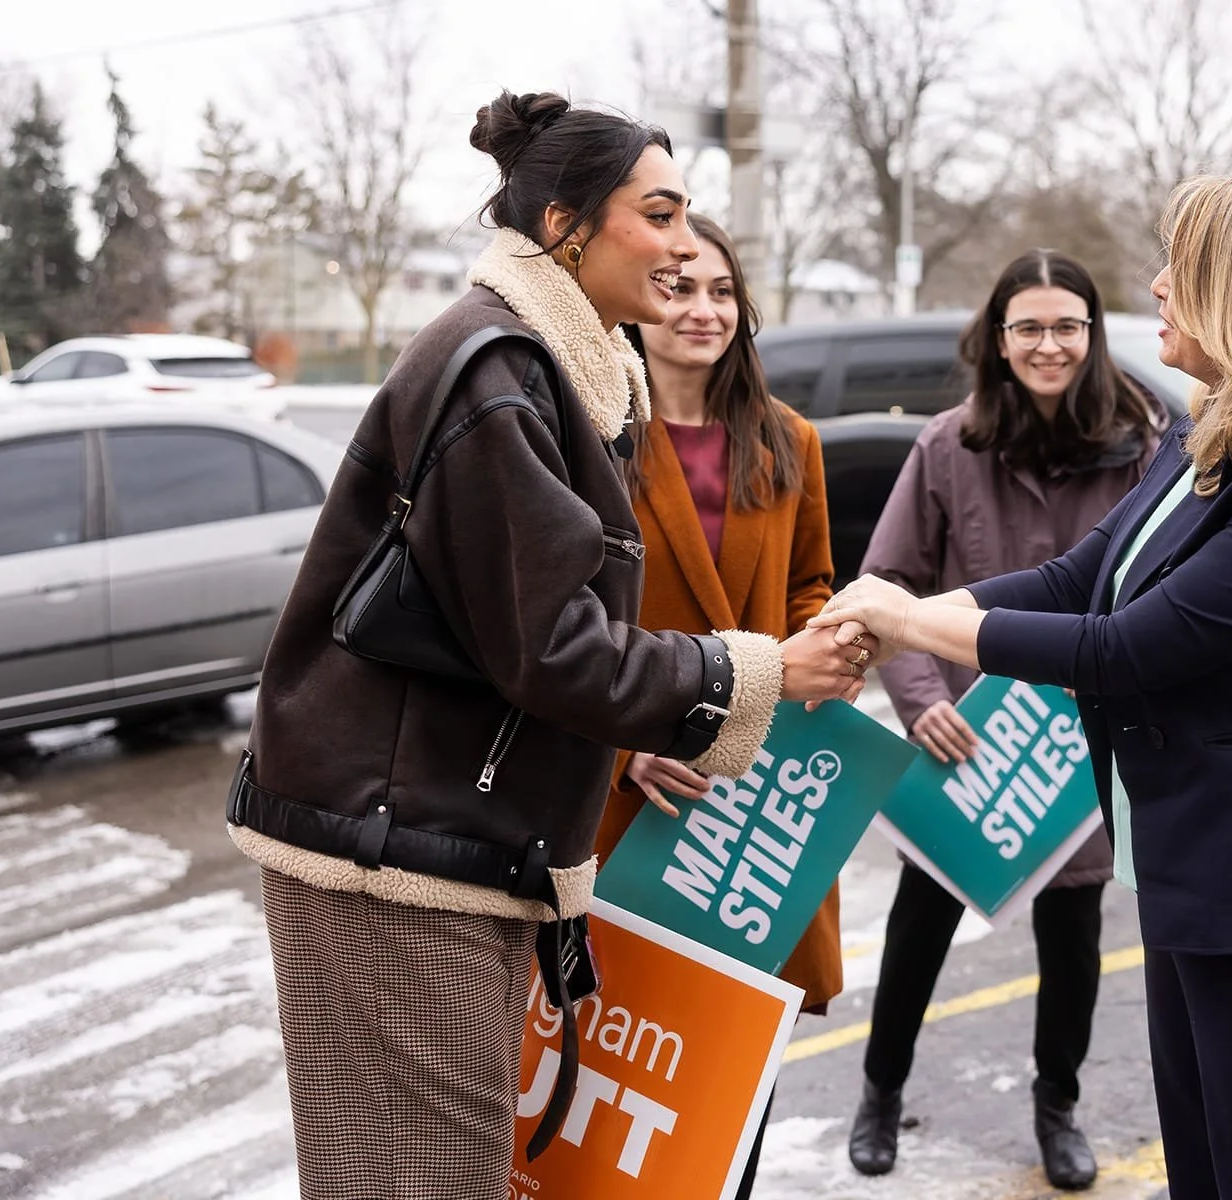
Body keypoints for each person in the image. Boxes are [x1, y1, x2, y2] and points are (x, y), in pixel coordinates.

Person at [226, 91, 870, 1199]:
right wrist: (755, 669)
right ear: (567, 224)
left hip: (440, 846)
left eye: (687, 219)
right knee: (418, 1178)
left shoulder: (550, 370)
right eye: (659, 215)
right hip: (396, 858)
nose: (681, 247)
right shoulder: (498, 370)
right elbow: (556, 650)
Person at [815, 173, 1232, 1199]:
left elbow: (1124, 647)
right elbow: (1076, 581)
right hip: (1200, 885)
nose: (1152, 286)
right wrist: (882, 606)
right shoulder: (1204, 442)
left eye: (1181, 268)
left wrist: (907, 617)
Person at [845, 249, 1160, 1191]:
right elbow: (889, 585)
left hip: (1078, 747)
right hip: (966, 743)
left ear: (1093, 336)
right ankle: (877, 1090)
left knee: (1071, 945)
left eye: (1067, 325)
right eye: (1027, 326)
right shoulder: (947, 444)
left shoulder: (1144, 445)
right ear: (997, 337)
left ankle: (1055, 1107)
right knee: (919, 928)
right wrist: (921, 700)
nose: (1048, 344)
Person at [592, 211, 839, 1198]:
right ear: (638, 302)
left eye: (721, 291)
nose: (701, 309)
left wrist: (832, 644)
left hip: (758, 802)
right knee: (616, 1085)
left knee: (730, 1081)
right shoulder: (587, 437)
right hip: (628, 804)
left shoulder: (789, 441)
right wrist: (619, 748)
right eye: (679, 285)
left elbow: (809, 587)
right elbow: (550, 628)